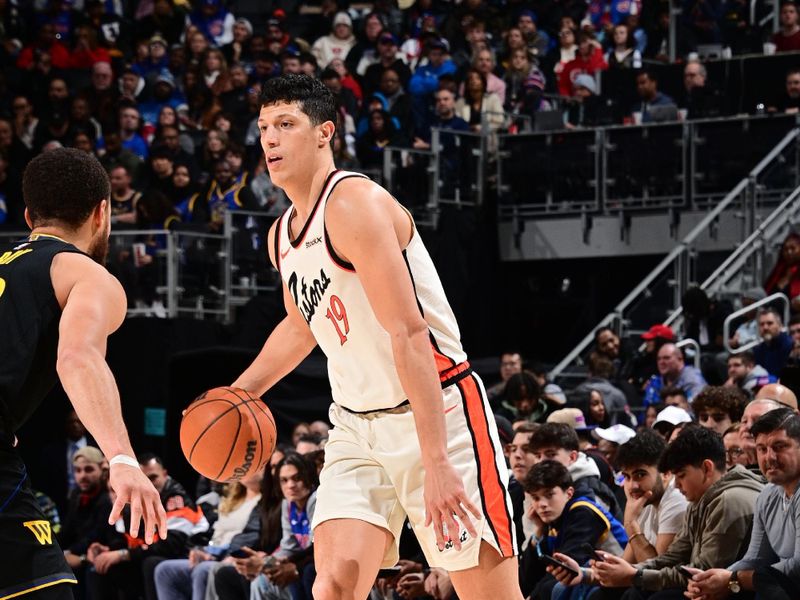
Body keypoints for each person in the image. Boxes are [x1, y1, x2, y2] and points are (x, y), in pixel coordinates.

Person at [228, 74, 521, 600]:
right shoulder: (282, 234)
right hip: (355, 427)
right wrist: (239, 393)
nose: (270, 139)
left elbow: (409, 335)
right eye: (264, 127)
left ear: (324, 132)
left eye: (286, 125)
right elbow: (301, 326)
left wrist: (435, 461)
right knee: (334, 587)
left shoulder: (353, 203)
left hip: (436, 415)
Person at [0, 148, 165, 600]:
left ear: (30, 215)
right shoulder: (85, 275)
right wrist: (122, 459)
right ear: (102, 213)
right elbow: (77, 357)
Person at [584, 426, 764, 598]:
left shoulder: (728, 501)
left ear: (707, 468)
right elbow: (673, 556)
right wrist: (630, 572)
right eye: (627, 477)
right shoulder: (700, 496)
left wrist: (634, 576)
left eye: (681, 475)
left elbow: (704, 573)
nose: (677, 485)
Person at [687, 408, 800, 600]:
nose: (769, 457)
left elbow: (798, 566)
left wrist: (732, 580)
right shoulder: (767, 495)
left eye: (780, 446)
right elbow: (755, 558)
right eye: (762, 449)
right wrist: (711, 581)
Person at [519, 460, 627, 600]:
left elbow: (563, 570)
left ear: (569, 493)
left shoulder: (584, 512)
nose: (542, 504)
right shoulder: (553, 519)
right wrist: (539, 531)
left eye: (549, 495)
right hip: (592, 581)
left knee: (555, 589)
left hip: (621, 584)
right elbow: (527, 578)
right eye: (536, 498)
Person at [643, 344, 707, 407]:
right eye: (658, 359)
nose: (661, 362)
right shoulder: (656, 381)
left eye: (666, 358)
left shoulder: (692, 378)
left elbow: (697, 409)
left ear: (680, 359)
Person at [753, 308, 794, 378]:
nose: (765, 327)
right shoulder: (758, 350)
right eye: (762, 324)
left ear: (780, 325)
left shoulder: (790, 345)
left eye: (770, 323)